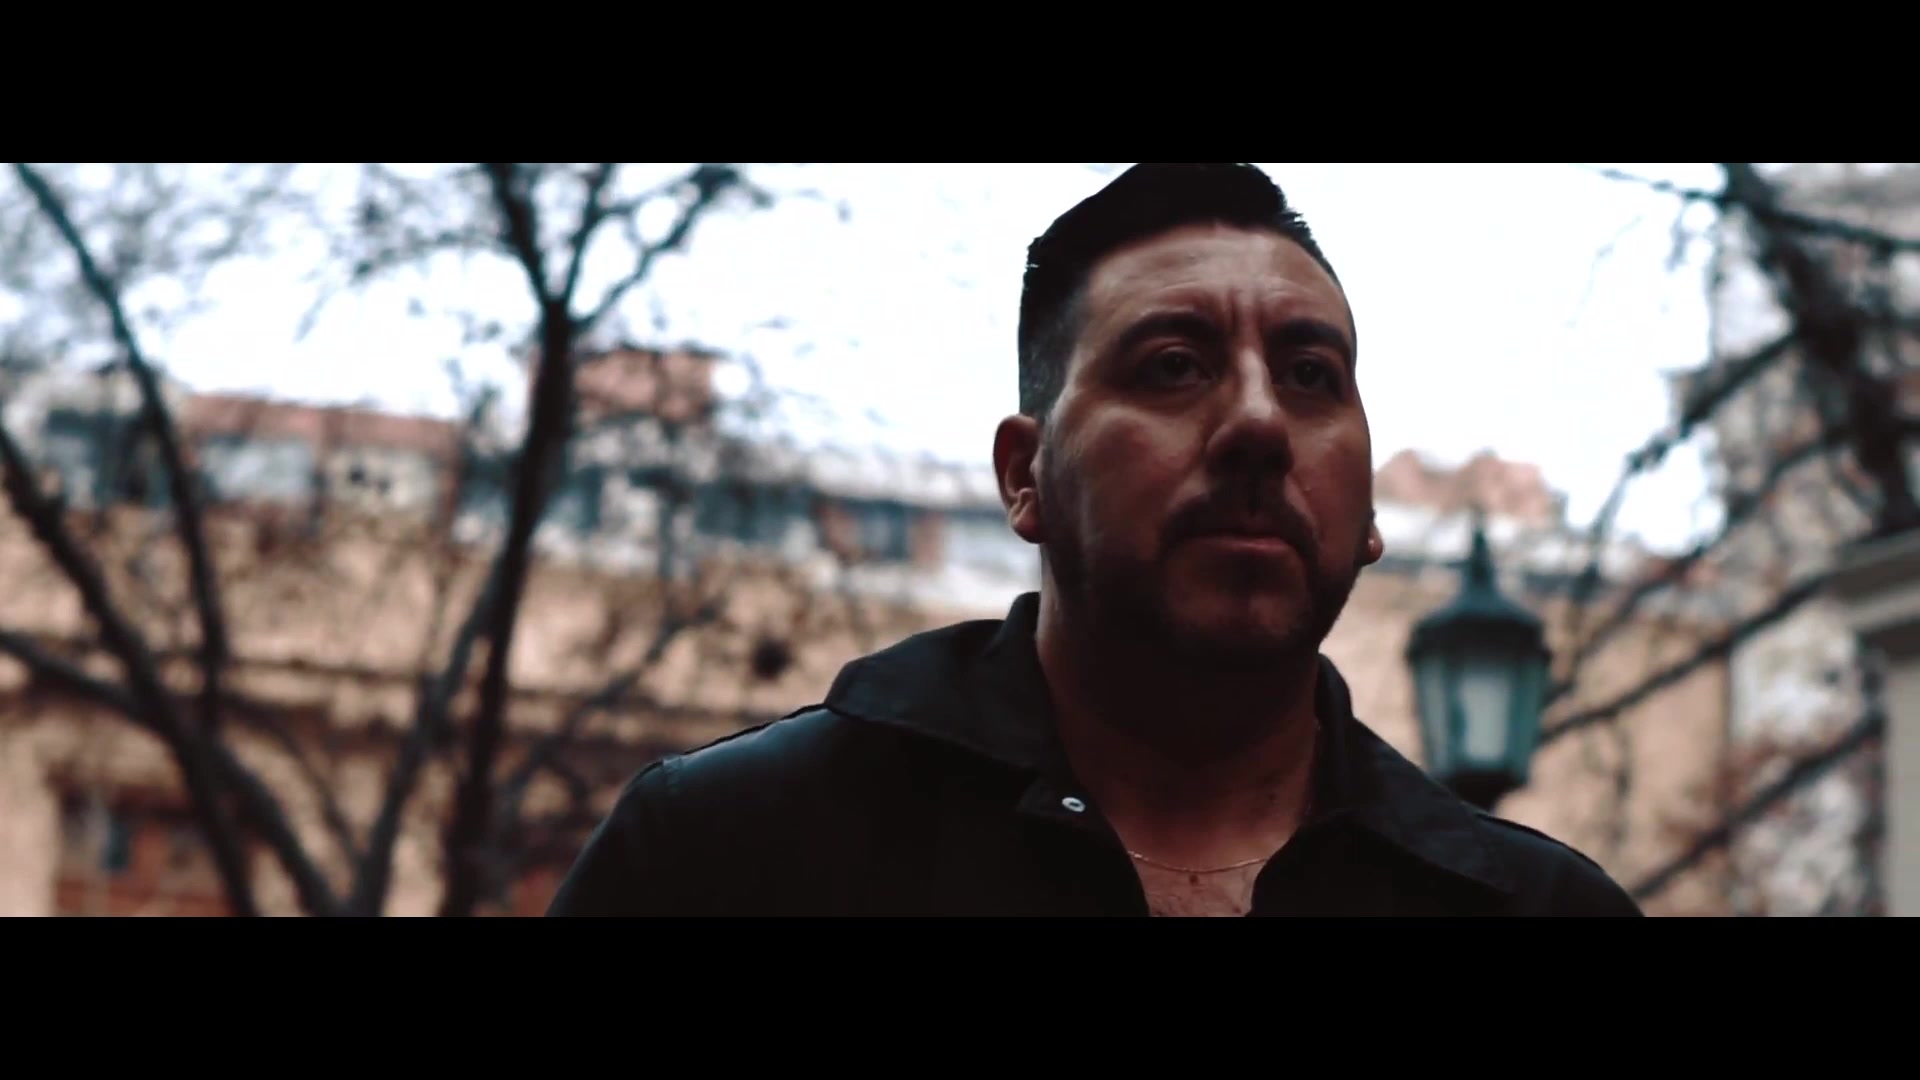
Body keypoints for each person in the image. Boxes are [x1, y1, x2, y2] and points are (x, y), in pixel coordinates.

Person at [546, 162, 1644, 917]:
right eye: (1173, 365)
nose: (1260, 423)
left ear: (1366, 517)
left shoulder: (1534, 908)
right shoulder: (731, 853)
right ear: (1025, 477)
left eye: (1312, 376)